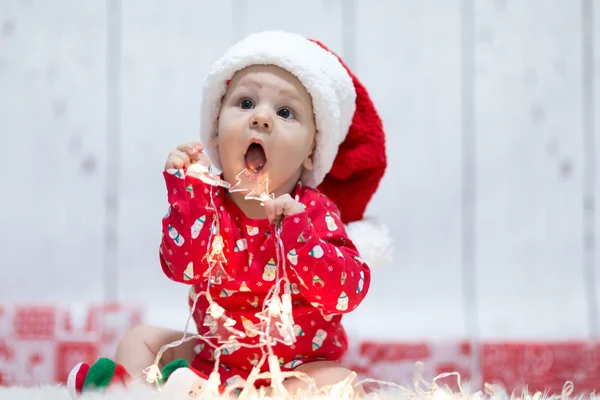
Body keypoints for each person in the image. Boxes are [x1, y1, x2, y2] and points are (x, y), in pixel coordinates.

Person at [115, 30, 387, 395]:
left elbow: (346, 293)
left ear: (311, 151)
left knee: (339, 384)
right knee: (139, 341)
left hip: (297, 369)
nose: (260, 118)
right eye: (244, 103)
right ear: (214, 133)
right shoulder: (207, 202)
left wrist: (299, 235)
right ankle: (185, 389)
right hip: (214, 361)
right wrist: (188, 194)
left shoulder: (315, 211)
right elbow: (183, 267)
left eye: (285, 112)